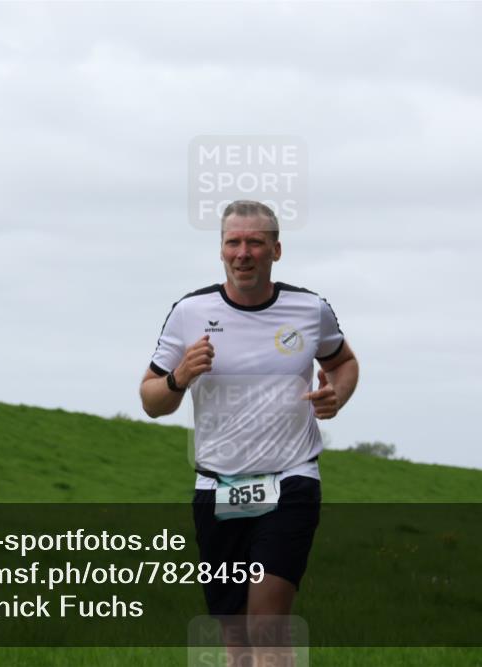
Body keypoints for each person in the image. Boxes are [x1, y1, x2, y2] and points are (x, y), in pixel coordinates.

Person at [139, 200, 358, 665]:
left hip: (291, 480)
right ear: (220, 250)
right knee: (236, 643)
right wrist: (179, 377)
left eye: (255, 242)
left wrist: (336, 395)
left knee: (268, 625)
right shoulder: (189, 312)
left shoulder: (310, 309)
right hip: (217, 487)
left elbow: (343, 362)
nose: (243, 253)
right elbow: (151, 400)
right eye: (233, 242)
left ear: (276, 250)